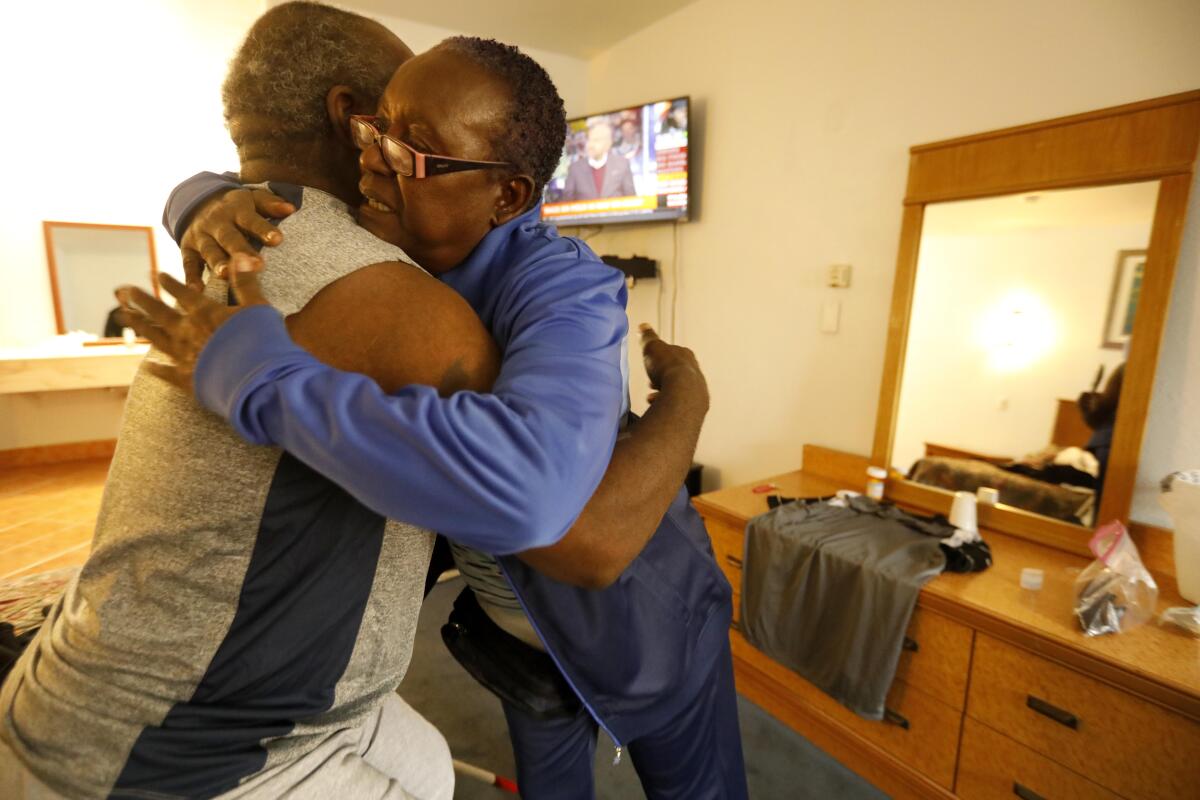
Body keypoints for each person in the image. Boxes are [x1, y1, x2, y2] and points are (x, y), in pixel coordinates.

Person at [0, 5, 706, 799]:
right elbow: (576, 531)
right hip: (189, 746)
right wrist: (196, 202)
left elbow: (570, 522)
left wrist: (684, 395)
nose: (377, 161)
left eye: (406, 146)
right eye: (378, 133)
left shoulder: (250, 238)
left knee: (475, 765)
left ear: (506, 194)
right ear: (351, 120)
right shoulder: (363, 278)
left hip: (103, 686)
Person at [562, 119, 636, 201]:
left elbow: (632, 199)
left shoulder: (622, 164)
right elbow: (565, 203)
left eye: (596, 140)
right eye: (589, 139)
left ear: (608, 143)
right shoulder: (575, 168)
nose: (591, 145)